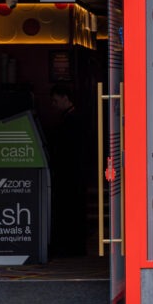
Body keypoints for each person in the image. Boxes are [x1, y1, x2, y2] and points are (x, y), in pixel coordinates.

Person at [48, 83, 88, 258]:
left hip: (70, 174)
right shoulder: (74, 118)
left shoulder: (72, 120)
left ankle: (73, 248)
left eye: (56, 101)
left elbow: (66, 150)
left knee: (70, 211)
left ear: (65, 98)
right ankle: (75, 247)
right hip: (74, 173)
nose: (54, 105)